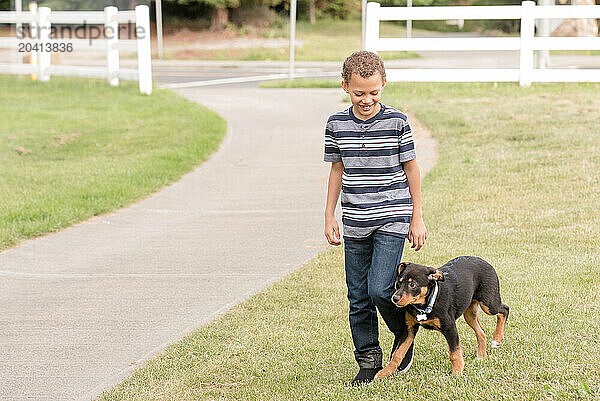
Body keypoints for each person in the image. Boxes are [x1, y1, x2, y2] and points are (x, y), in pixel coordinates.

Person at [323, 50, 427, 385]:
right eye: (358, 93)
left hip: (393, 216)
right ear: (345, 87)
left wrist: (417, 217)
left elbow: (411, 168)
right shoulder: (336, 124)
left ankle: (404, 335)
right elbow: (337, 170)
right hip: (355, 220)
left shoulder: (396, 122)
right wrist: (329, 215)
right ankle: (368, 360)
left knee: (381, 288)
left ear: (383, 85)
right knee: (358, 295)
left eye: (373, 92)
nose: (366, 100)